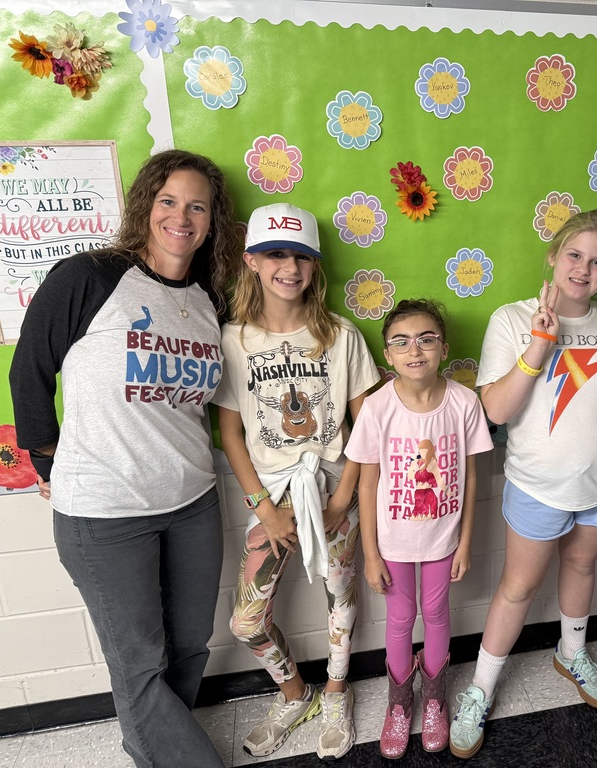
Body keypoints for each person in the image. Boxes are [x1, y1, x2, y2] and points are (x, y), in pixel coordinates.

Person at [8, 149, 240, 768]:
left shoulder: (210, 301)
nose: (181, 217)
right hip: (105, 513)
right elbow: (30, 373)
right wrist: (50, 467)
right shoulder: (89, 276)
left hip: (192, 502)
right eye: (168, 201)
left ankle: (154, 750)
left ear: (213, 221)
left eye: (197, 206)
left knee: (191, 645)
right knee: (138, 661)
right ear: (146, 205)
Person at [448, 210, 597, 759]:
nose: (583, 269)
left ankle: (572, 652)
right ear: (553, 256)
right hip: (538, 486)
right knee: (517, 588)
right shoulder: (512, 319)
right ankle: (480, 689)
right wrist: (539, 346)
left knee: (582, 567)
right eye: (574, 255)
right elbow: (494, 408)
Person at [214, 202, 379, 760]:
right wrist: (264, 508)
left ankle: (336, 690)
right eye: (276, 254)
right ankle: (295, 692)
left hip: (334, 490)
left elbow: (368, 426)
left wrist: (342, 496)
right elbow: (231, 433)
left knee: (340, 595)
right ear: (252, 261)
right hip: (275, 499)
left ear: (315, 265)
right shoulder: (233, 339)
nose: (290, 266)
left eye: (302, 256)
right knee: (245, 619)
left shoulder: (340, 335)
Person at [345, 299, 494, 757]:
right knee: (399, 619)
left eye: (427, 339)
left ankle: (434, 701)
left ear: (444, 348)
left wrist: (466, 542)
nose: (416, 350)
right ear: (387, 355)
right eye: (402, 342)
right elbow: (367, 483)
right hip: (392, 543)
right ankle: (398, 705)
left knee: (436, 615)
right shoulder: (376, 407)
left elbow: (471, 479)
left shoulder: (465, 403)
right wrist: (370, 553)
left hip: (443, 540)